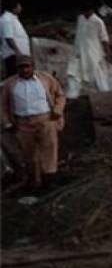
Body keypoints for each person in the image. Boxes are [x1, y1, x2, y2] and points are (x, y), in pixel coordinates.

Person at [1, 55, 65, 188]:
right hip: (22, 123)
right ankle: (35, 182)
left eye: (27, 66)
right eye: (21, 67)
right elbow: (3, 105)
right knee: (29, 154)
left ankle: (50, 180)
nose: (24, 70)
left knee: (49, 149)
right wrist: (7, 122)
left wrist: (58, 110)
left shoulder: (46, 79)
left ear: (33, 67)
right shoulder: (10, 84)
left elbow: (60, 95)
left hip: (45, 119)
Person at [66, 3, 112, 98]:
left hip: (93, 51)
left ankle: (105, 94)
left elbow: (104, 39)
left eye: (87, 12)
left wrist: (108, 55)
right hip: (80, 51)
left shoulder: (98, 22)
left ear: (91, 11)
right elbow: (79, 35)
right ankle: (73, 95)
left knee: (97, 73)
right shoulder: (81, 19)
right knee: (75, 72)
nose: (85, 14)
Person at [1, 0, 30, 79]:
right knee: (14, 78)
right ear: (14, 7)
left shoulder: (13, 19)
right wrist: (17, 51)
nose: (21, 8)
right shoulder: (7, 19)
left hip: (19, 55)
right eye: (19, 6)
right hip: (14, 55)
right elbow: (8, 37)